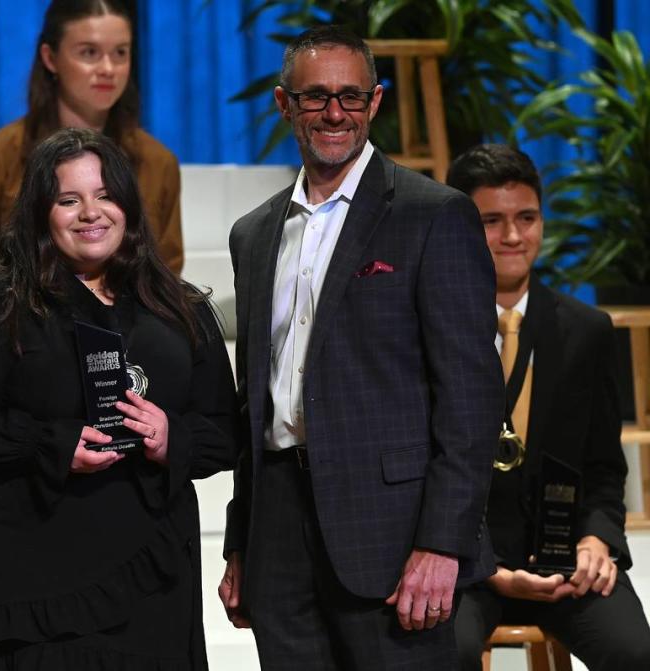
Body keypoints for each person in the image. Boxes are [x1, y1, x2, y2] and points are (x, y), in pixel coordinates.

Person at [217, 26, 504, 669]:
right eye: (315, 97)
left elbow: (472, 399)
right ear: (283, 103)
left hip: (394, 532)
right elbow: (251, 406)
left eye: (351, 96)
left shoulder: (433, 215)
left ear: (375, 103)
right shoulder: (253, 234)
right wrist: (243, 541)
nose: (335, 113)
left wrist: (443, 542)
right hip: (280, 536)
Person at [0, 127, 236, 670]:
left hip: (152, 577)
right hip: (35, 574)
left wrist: (169, 437)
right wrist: (49, 444)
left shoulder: (178, 309)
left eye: (106, 195)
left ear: (129, 206)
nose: (91, 213)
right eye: (69, 200)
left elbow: (225, 434)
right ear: (42, 212)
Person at [446, 143, 650, 670]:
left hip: (564, 559)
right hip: (465, 564)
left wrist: (596, 540)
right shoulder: (429, 328)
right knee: (442, 652)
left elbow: (605, 469)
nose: (513, 236)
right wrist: (484, 564)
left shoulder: (587, 331)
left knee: (635, 652)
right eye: (492, 220)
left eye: (527, 217)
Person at [0, 0, 183, 308]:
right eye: (89, 53)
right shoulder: (2, 155)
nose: (108, 68)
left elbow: (165, 274)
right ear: (50, 58)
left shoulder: (157, 161)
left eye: (120, 53)